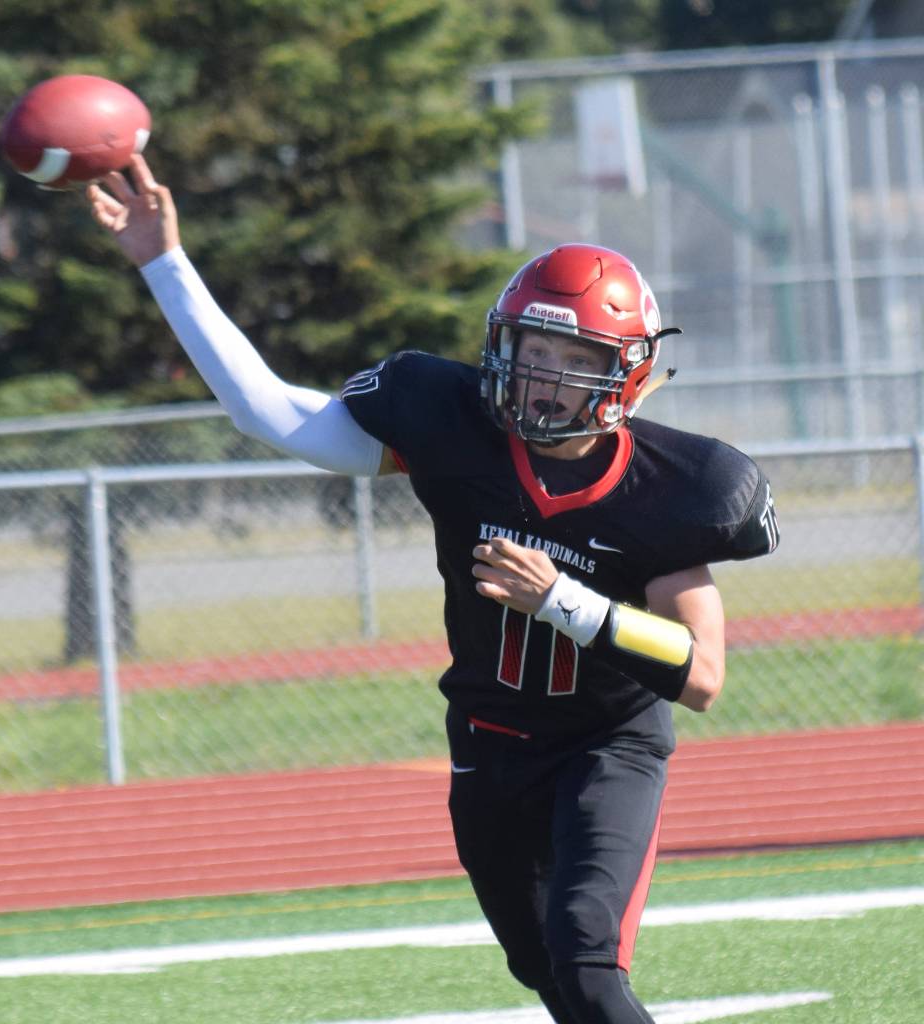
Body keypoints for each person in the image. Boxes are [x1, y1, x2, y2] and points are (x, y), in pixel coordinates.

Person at [86, 155, 780, 1024]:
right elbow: (267, 412)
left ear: (625, 371)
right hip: (489, 742)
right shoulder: (452, 424)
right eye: (533, 350)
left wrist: (564, 600)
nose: (544, 377)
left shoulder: (679, 484)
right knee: (547, 974)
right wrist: (163, 262)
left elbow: (703, 674)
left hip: (609, 744)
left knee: (589, 962)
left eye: (573, 358)